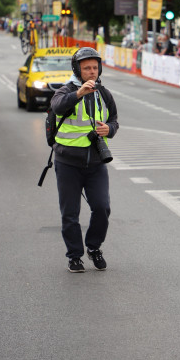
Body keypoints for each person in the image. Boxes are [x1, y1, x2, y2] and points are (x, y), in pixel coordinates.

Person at [51, 47, 119, 273]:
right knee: (70, 213)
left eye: (94, 67)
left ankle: (94, 247)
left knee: (102, 208)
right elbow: (57, 107)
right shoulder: (65, 91)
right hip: (68, 162)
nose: (91, 72)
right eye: (86, 68)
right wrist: (79, 93)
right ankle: (74, 256)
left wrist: (109, 129)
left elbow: (114, 120)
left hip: (97, 162)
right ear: (77, 70)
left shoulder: (104, 94)